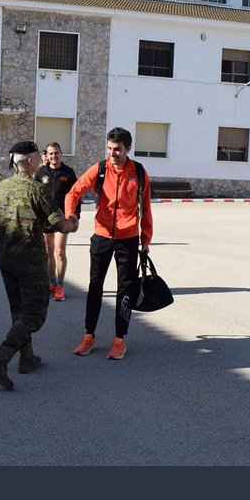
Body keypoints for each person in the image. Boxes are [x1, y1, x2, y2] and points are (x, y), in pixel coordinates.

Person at [0, 141, 78, 390]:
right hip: (31, 264)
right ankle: (0, 358)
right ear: (31, 161)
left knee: (18, 312)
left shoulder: (2, 187)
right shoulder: (37, 189)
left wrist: (0, 249)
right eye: (39, 157)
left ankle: (27, 358)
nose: (43, 160)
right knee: (34, 315)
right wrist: (73, 223)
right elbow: (59, 224)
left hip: (7, 261)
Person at [65, 127, 153, 360]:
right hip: (102, 236)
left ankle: (119, 339)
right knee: (95, 286)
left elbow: (145, 207)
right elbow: (73, 193)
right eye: (109, 148)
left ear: (128, 149)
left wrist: (146, 238)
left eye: (117, 149)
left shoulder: (139, 173)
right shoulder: (100, 169)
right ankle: (89, 335)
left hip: (128, 239)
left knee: (125, 290)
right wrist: (70, 216)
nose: (112, 153)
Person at [35, 141, 79, 301]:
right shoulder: (41, 173)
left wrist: (75, 216)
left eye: (56, 153)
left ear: (61, 154)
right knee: (48, 251)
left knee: (60, 251)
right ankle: (51, 283)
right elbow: (35, 195)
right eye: (51, 153)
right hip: (45, 218)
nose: (54, 156)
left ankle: (60, 286)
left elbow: (76, 195)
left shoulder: (68, 173)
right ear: (47, 155)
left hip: (62, 218)